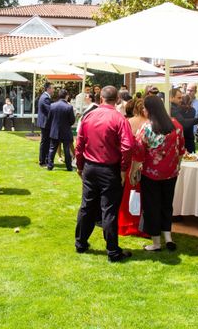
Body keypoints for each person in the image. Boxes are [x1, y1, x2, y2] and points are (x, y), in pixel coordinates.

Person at [75, 86, 135, 263]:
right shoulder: (119, 118)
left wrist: (80, 165)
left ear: (101, 97)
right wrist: (124, 169)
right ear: (117, 99)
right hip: (109, 168)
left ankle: (81, 242)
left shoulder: (89, 116)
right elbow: (128, 146)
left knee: (87, 205)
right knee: (108, 210)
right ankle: (112, 251)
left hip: (91, 167)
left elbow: (79, 144)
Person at [134, 95, 185, 252]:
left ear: (149, 109)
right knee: (166, 205)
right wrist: (177, 165)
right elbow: (181, 150)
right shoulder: (176, 125)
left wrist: (133, 172)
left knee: (151, 207)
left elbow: (138, 153)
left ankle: (156, 243)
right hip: (171, 173)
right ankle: (168, 237)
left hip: (151, 174)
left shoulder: (146, 128)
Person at [118, 98, 148, 237]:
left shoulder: (128, 122)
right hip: (145, 163)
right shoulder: (149, 124)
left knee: (130, 194)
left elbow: (123, 144)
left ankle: (128, 222)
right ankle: (140, 224)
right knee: (143, 194)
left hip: (131, 163)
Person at [47, 89, 76, 172]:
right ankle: (69, 167)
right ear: (66, 96)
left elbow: (49, 119)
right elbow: (72, 120)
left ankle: (50, 166)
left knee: (52, 149)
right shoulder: (69, 107)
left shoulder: (52, 105)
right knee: (66, 149)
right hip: (65, 131)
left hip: (55, 130)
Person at [170, 88, 198, 154]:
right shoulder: (172, 109)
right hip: (178, 140)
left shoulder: (175, 108)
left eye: (181, 98)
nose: (181, 100)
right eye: (179, 98)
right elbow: (183, 123)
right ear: (171, 98)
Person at [37, 82, 54, 168]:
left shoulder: (45, 97)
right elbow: (50, 111)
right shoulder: (45, 98)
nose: (53, 90)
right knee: (45, 143)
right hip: (45, 124)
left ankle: (44, 160)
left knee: (45, 142)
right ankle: (42, 161)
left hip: (44, 123)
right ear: (48, 89)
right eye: (52, 88)